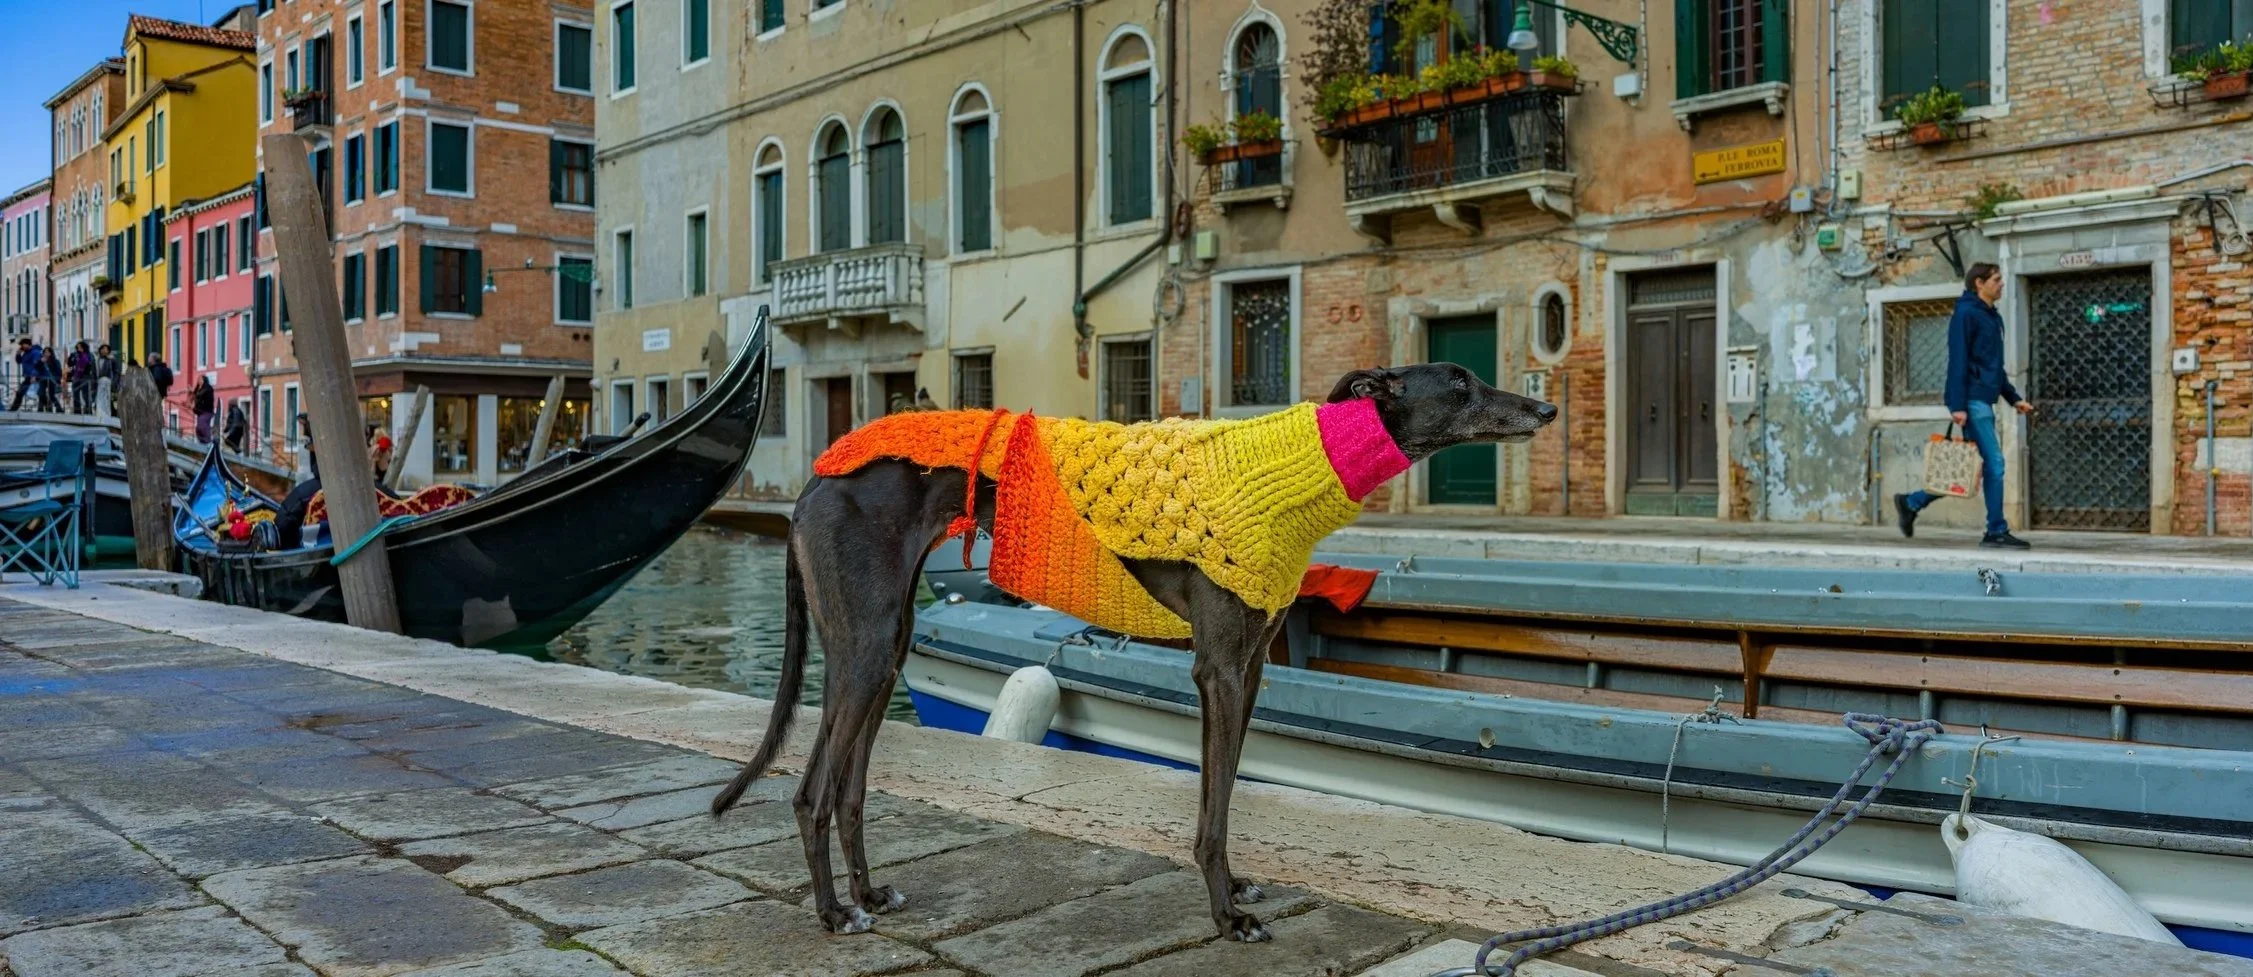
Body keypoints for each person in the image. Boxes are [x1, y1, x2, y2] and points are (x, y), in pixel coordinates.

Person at [1896, 262, 2037, 550]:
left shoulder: (1991, 317)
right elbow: (1958, 360)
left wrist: (2013, 398)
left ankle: (1912, 502)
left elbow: (1992, 367)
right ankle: (1996, 530)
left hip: (1983, 399)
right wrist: (1957, 404)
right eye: (1996, 280)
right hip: (1972, 402)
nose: (2001, 284)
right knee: (1995, 465)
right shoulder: (1966, 314)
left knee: (1971, 468)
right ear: (1979, 284)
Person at [10, 337, 46, 411]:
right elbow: (19, 361)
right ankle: (13, 409)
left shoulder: (35, 352)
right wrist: (18, 354)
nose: (22, 347)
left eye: (23, 345)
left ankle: (46, 408)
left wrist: (34, 375)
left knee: (40, 394)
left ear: (27, 344)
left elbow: (37, 365)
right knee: (20, 393)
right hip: (28, 376)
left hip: (35, 376)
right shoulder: (25, 353)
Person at [67, 342, 95, 413]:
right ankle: (77, 411)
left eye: (81, 347)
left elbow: (91, 365)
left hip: (85, 377)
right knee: (75, 394)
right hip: (76, 376)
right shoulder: (74, 354)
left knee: (86, 395)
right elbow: (70, 363)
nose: (79, 349)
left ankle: (88, 411)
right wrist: (71, 358)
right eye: (78, 347)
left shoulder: (89, 355)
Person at [192, 376, 218, 443]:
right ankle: (202, 441)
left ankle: (207, 441)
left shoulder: (208, 388)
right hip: (199, 412)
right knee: (198, 428)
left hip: (206, 411)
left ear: (204, 380)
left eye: (201, 379)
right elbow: (195, 397)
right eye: (198, 379)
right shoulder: (198, 388)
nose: (199, 381)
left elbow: (203, 397)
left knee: (202, 426)